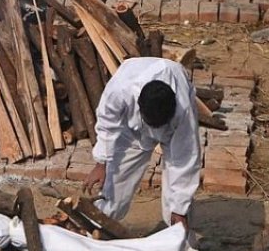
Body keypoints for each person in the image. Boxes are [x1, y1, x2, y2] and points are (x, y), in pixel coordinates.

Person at [84, 57, 200, 229]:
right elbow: (107, 123)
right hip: (132, 131)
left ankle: (183, 248)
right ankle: (95, 232)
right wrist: (101, 162)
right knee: (113, 188)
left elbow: (185, 159)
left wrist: (179, 208)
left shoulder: (183, 110)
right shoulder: (121, 90)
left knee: (178, 212)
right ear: (138, 105)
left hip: (172, 128)